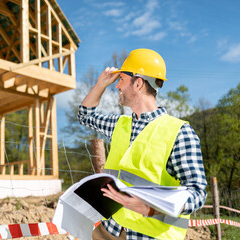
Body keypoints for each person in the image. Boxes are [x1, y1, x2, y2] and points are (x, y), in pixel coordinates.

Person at [78, 48, 207, 240]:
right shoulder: (119, 124)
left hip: (149, 235)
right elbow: (85, 115)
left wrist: (151, 208)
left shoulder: (179, 132)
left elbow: (197, 193)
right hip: (111, 229)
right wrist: (100, 84)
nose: (117, 86)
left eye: (121, 79)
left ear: (138, 83)